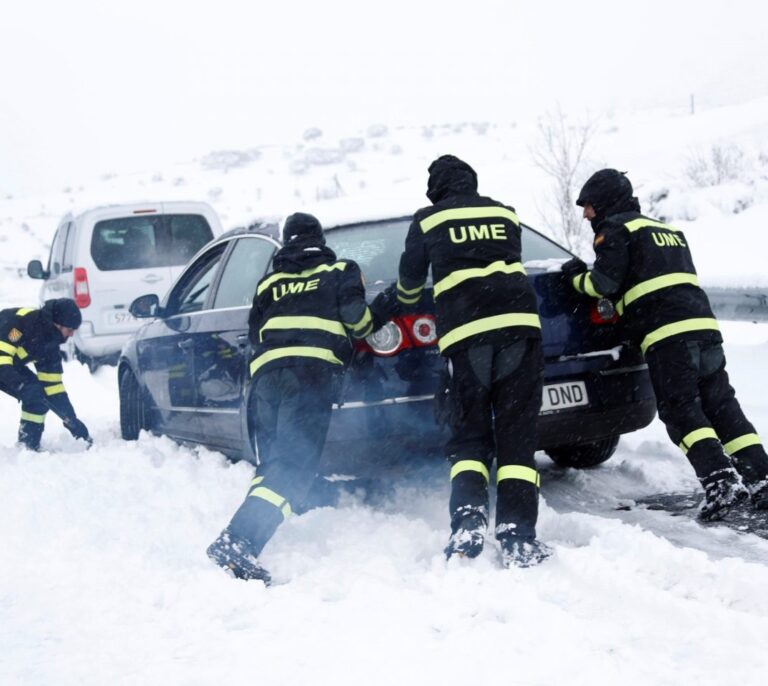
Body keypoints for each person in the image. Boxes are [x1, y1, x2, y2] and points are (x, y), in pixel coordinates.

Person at [563, 168, 768, 519]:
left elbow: (603, 284)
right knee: (721, 406)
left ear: (605, 202)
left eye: (589, 206)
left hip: (667, 336)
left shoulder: (615, 229)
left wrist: (574, 278)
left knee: (680, 409)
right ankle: (761, 479)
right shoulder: (667, 231)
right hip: (704, 329)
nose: (585, 214)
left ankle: (720, 482)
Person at [207, 212, 397, 583]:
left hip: (266, 380)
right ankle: (237, 540)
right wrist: (386, 307)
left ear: (286, 242)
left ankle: (245, 536)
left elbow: (255, 334)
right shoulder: (340, 270)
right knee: (294, 466)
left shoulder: (269, 283)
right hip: (309, 375)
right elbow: (358, 322)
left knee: (275, 463)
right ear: (320, 240)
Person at [396, 154, 550, 568]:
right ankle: (518, 534)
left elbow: (409, 287)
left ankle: (468, 522)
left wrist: (405, 301)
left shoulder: (428, 219)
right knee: (517, 434)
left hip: (467, 337)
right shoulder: (505, 213)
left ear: (435, 189)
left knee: (469, 436)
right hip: (520, 331)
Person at [0, 298, 91, 451]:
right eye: (70, 329)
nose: (71, 334)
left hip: (8, 366)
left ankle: (28, 445)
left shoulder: (50, 345)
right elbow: (1, 359)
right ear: (58, 324)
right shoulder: (21, 324)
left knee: (36, 394)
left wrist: (71, 419)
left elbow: (53, 387)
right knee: (29, 389)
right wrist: (20, 385)